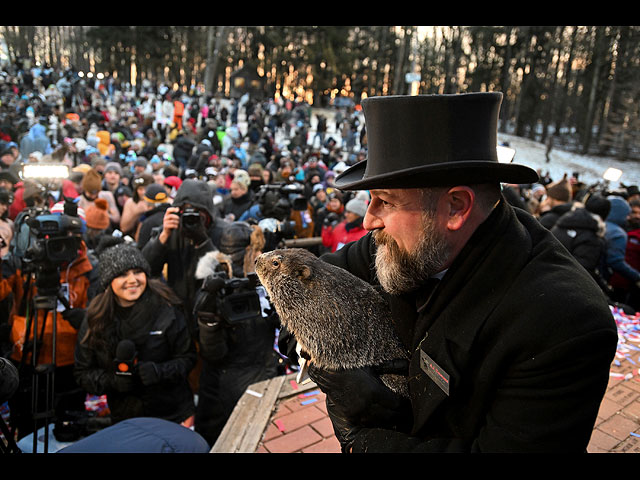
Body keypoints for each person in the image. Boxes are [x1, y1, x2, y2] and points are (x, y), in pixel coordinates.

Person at [298, 92, 618, 453]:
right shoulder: (403, 239)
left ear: (455, 207)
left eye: (385, 201)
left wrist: (366, 438)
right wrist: (319, 351)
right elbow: (314, 277)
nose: (369, 220)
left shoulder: (565, 323)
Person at [74, 243, 197, 428]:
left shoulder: (167, 307)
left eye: (137, 272)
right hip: (126, 420)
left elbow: (187, 358)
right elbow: (83, 373)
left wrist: (160, 372)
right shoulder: (96, 319)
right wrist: (114, 381)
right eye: (123, 274)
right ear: (109, 280)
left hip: (174, 414)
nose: (132, 280)